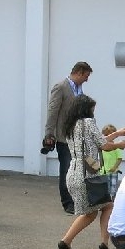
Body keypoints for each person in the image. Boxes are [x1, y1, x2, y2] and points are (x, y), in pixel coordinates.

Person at [57, 95, 117, 249]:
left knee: (95, 210)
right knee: (101, 209)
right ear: (86, 109)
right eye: (92, 108)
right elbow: (103, 145)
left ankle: (69, 242)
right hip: (88, 175)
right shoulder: (88, 122)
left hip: (73, 173)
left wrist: (117, 133)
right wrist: (120, 144)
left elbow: (96, 140)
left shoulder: (69, 125)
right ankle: (71, 241)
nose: (93, 111)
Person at [43, 61, 93, 214]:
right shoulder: (61, 87)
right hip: (64, 137)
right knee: (66, 169)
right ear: (79, 72)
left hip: (77, 136)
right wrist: (49, 133)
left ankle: (77, 200)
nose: (87, 79)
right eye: (86, 76)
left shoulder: (79, 89)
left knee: (78, 170)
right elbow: (53, 111)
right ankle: (67, 203)